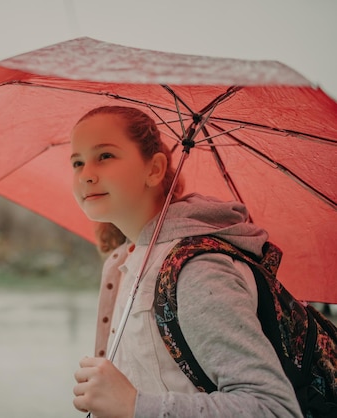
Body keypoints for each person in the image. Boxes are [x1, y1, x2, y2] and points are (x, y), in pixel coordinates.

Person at [70, 106, 302, 418]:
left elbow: (273, 409)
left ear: (154, 169)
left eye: (105, 156)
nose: (86, 174)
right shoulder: (120, 263)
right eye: (77, 162)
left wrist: (134, 406)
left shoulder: (197, 270)